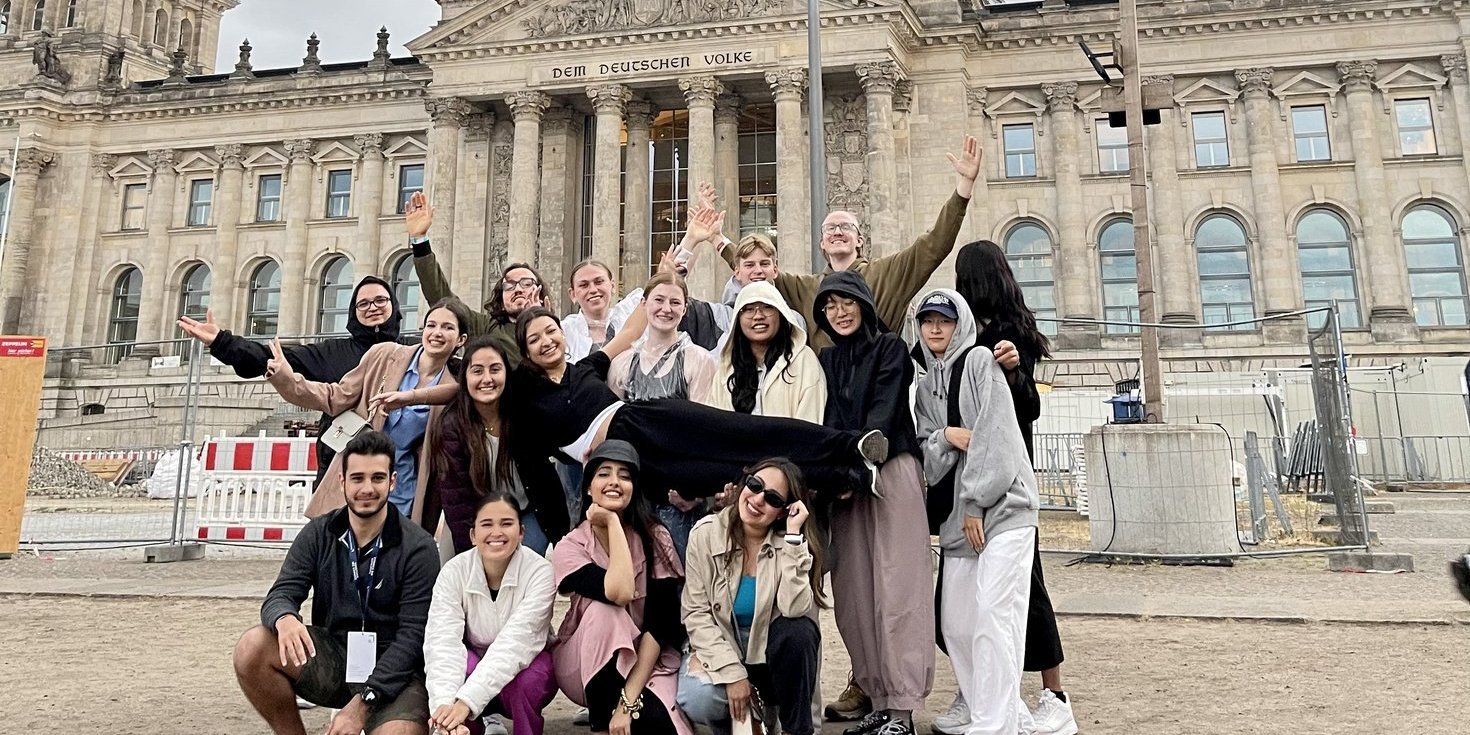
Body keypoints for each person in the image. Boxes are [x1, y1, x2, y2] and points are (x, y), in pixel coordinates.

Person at [509, 307, 889, 502]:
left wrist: (671, 266)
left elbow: (628, 332)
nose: (546, 341)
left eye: (551, 331)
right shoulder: (527, 399)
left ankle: (850, 445)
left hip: (643, 419)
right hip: (630, 461)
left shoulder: (586, 367)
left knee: (744, 433)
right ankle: (846, 475)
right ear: (525, 351)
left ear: (562, 333)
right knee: (729, 473)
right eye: (535, 339)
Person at [685, 135, 982, 350]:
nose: (838, 232)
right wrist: (717, 239)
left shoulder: (887, 273)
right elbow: (757, 270)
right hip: (824, 390)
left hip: (875, 381)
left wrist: (963, 189)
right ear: (822, 245)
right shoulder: (807, 287)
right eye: (830, 229)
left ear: (860, 240)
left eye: (845, 227)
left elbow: (934, 245)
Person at [233, 430, 440, 735]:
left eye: (377, 478)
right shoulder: (318, 533)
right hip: (337, 657)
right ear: (342, 481)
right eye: (357, 478)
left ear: (393, 481)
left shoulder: (419, 548)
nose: (367, 488)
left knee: (398, 734)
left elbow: (411, 639)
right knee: (253, 646)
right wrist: (285, 618)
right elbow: (282, 592)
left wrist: (362, 704)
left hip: (397, 672)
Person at [952, 241, 1076, 735]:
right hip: (979, 472)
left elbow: (1027, 405)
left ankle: (1054, 694)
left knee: (1024, 588)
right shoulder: (978, 332)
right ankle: (993, 692)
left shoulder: (1005, 335)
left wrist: (1012, 371)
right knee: (973, 595)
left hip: (1005, 478)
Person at [910, 287, 1040, 735]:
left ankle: (994, 722)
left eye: (944, 320)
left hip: (1005, 509)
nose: (935, 328)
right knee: (957, 623)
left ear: (959, 322)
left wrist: (974, 501)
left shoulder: (981, 362)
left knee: (994, 614)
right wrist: (948, 434)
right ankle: (1000, 711)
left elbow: (998, 437)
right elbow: (929, 453)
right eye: (928, 320)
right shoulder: (925, 385)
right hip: (957, 522)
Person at [812, 272, 933, 735]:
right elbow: (829, 419)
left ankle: (902, 707)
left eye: (846, 302)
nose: (839, 313)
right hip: (845, 485)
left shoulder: (890, 349)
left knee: (899, 587)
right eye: (830, 306)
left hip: (890, 469)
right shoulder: (824, 360)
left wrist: (857, 462)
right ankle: (879, 697)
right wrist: (839, 475)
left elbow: (881, 414)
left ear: (863, 303)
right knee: (856, 593)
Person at [177, 275, 406, 488]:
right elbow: (271, 358)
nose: (372, 307)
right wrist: (221, 341)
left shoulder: (413, 350)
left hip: (403, 463)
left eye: (380, 300)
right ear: (353, 311)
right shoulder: (332, 352)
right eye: (363, 304)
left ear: (393, 304)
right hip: (342, 466)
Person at [264, 299, 469, 518]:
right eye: (432, 325)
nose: (437, 332)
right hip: (358, 483)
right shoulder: (384, 355)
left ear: (461, 339)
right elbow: (335, 397)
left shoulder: (456, 386)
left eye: (447, 327)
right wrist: (286, 378)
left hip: (404, 491)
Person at [550, 441, 692, 735]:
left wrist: (626, 705)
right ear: (588, 487)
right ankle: (601, 723)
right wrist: (613, 524)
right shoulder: (571, 547)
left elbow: (659, 624)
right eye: (604, 474)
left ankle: (621, 709)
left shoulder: (656, 538)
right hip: (583, 664)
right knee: (605, 613)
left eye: (625, 476)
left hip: (645, 661)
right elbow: (620, 592)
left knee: (657, 725)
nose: (615, 482)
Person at [677, 458, 825, 735]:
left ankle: (792, 727)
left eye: (772, 498)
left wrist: (793, 537)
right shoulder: (706, 534)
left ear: (783, 512)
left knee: (800, 631)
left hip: (769, 655)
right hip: (722, 646)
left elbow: (795, 611)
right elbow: (696, 613)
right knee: (699, 700)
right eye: (754, 485)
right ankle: (743, 719)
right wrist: (734, 674)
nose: (757, 499)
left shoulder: (791, 545)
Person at [418, 335, 571, 557]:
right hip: (475, 518)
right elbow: (457, 500)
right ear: (465, 377)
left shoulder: (524, 413)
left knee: (520, 573)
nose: (487, 379)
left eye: (495, 369)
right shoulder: (453, 425)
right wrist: (478, 558)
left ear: (507, 374)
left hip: (526, 510)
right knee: (458, 573)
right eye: (477, 371)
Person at [606, 271, 720, 560]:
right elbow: (613, 432)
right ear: (644, 304)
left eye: (674, 302)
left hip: (677, 493)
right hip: (634, 489)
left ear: (685, 308)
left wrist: (692, 488)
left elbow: (704, 432)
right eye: (658, 300)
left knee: (678, 579)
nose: (665, 309)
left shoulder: (699, 360)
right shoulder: (622, 364)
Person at [424, 493, 559, 735]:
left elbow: (517, 643)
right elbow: (442, 642)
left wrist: (466, 701)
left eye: (507, 524)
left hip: (524, 668)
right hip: (474, 663)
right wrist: (444, 711)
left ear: (521, 532)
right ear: (473, 535)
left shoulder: (541, 573)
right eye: (487, 524)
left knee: (530, 678)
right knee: (460, 667)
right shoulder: (454, 571)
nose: (496, 533)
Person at [405, 191, 546, 364]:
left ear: (540, 292)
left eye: (526, 283)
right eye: (509, 285)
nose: (517, 289)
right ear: (501, 299)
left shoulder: (560, 330)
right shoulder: (486, 327)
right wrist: (420, 241)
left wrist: (535, 318)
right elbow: (441, 298)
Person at [705, 280, 825, 424]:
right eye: (749, 309)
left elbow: (810, 428)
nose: (758, 316)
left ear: (781, 314)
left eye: (767, 307)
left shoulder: (804, 361)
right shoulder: (727, 370)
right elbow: (715, 425)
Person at [563, 259, 644, 363]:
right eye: (584, 285)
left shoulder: (629, 314)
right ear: (572, 294)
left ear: (613, 286)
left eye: (599, 282)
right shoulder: (565, 331)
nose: (593, 290)